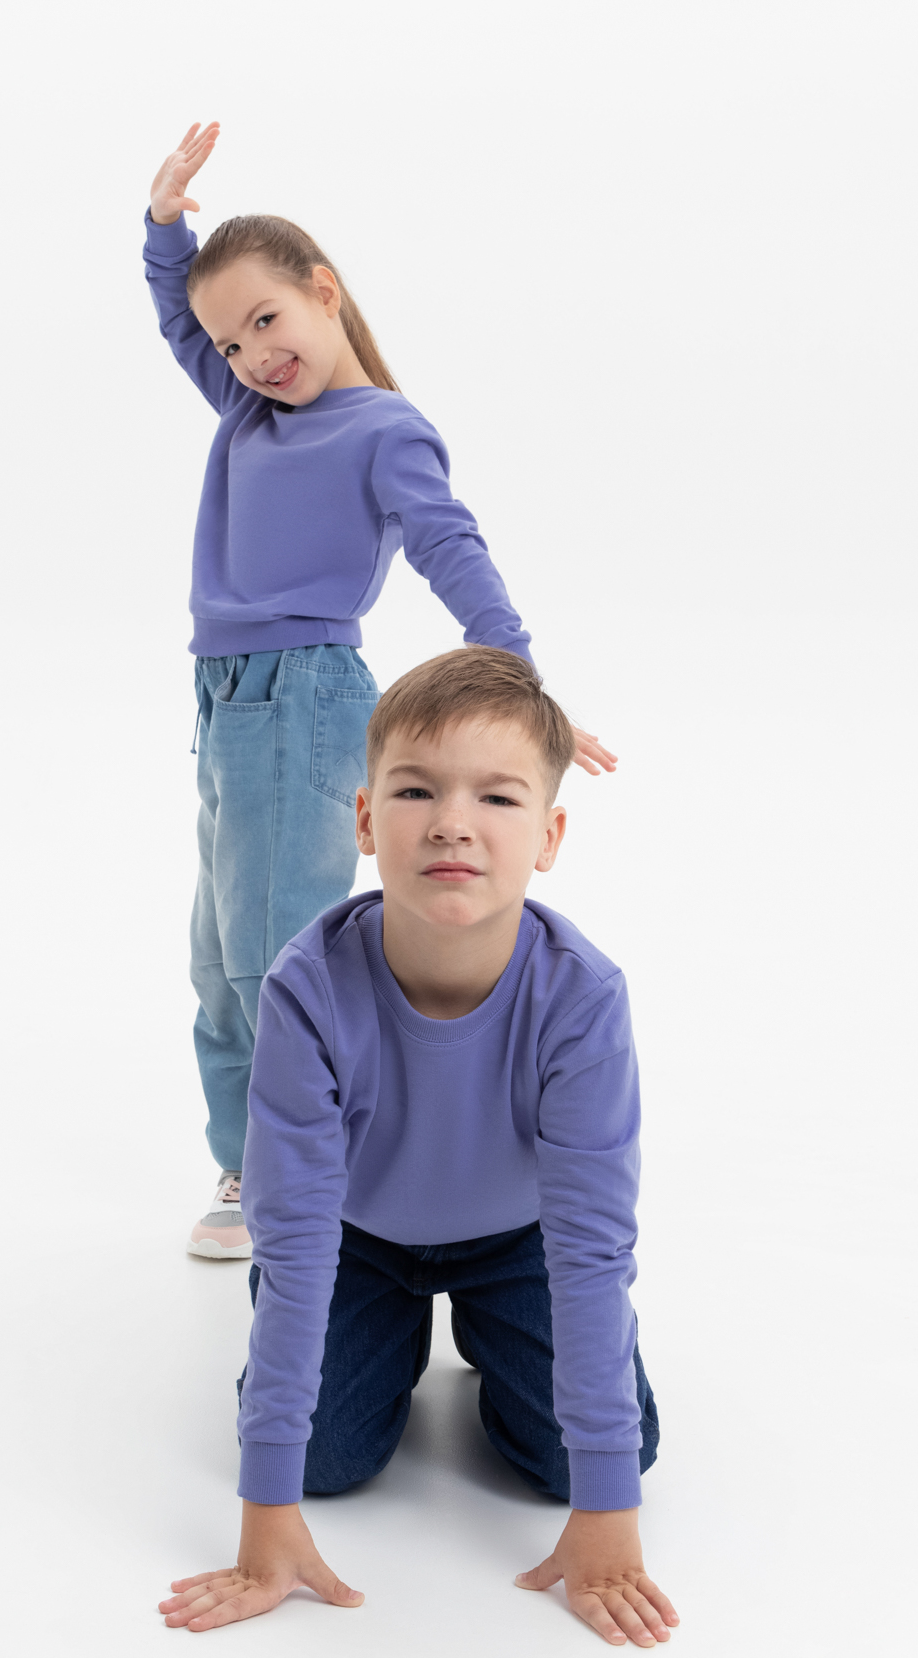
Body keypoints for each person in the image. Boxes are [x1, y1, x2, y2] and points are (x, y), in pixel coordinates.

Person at [143, 124, 617, 1258]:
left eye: (268, 320)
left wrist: (521, 682)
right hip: (225, 703)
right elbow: (178, 317)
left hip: (301, 698)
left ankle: (302, 1171)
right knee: (218, 961)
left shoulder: (384, 430)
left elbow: (451, 547)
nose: (252, 355)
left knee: (272, 954)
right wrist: (163, 228)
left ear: (326, 292)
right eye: (231, 341)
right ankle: (253, 1156)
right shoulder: (251, 415)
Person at [158, 648, 678, 1647]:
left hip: (519, 1240)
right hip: (356, 1240)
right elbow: (294, 1238)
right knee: (322, 1460)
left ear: (549, 835)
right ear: (363, 820)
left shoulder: (581, 996)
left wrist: (609, 1513)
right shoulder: (307, 989)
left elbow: (590, 1247)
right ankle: (392, 1332)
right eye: (415, 789)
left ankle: (488, 1326)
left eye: (497, 796)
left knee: (582, 1461)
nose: (452, 821)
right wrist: (265, 1517)